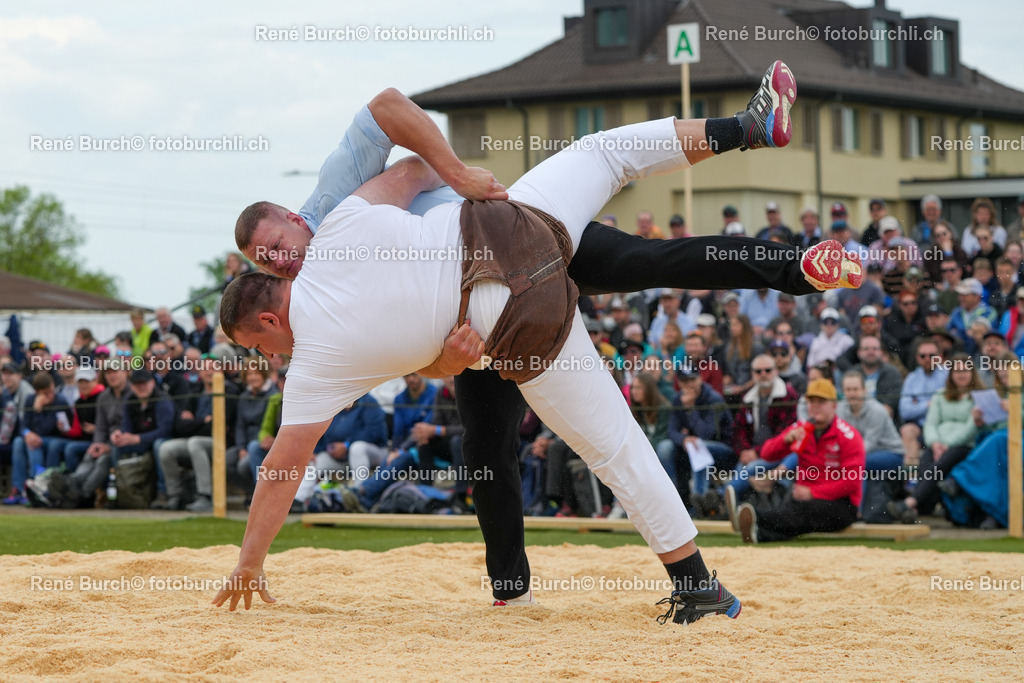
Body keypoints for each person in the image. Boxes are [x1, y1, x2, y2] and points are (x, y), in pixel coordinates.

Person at [215, 64, 862, 621]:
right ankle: (745, 133)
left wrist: (249, 561)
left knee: (613, 443)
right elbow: (407, 175)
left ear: (269, 320)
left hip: (509, 323)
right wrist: (461, 185)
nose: (272, 360)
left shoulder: (315, 352)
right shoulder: (339, 223)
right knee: (607, 155)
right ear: (268, 278)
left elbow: (280, 470)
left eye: (261, 347)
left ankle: (698, 585)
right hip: (515, 224)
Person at [732, 378, 865, 543]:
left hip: (840, 504)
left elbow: (851, 482)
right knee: (796, 513)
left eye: (821, 401)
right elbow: (766, 454)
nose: (815, 406)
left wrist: (813, 493)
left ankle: (756, 518)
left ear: (834, 406)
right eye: (812, 401)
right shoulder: (801, 429)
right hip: (803, 498)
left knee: (802, 512)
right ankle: (759, 535)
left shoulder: (848, 436)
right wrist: (785, 441)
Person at [888, 353, 983, 523]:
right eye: (957, 371)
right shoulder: (940, 394)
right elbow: (930, 424)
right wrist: (935, 443)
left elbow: (971, 428)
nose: (961, 374)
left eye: (965, 370)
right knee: (927, 460)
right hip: (938, 445)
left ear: (972, 372)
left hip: (964, 446)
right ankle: (918, 508)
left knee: (939, 464)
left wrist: (946, 444)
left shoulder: (978, 397)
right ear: (951, 375)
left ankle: (910, 502)